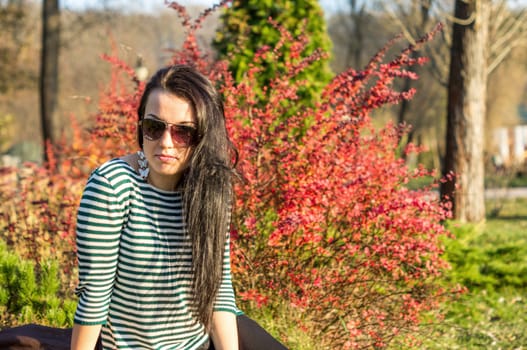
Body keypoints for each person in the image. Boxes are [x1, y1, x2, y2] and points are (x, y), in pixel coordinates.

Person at [71, 65, 287, 350]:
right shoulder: (112, 186)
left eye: (183, 132)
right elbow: (94, 295)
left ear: (203, 135)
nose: (166, 143)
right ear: (140, 125)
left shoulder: (211, 186)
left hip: (200, 341)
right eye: (153, 127)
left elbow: (218, 288)